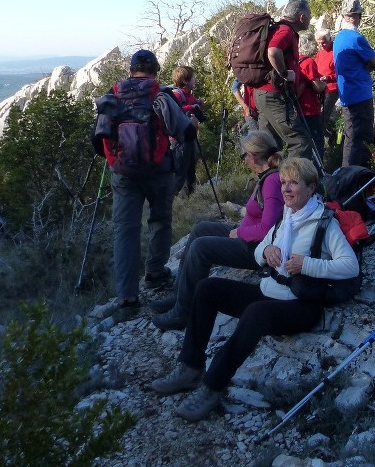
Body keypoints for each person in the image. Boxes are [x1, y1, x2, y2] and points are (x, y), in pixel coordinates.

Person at [150, 157, 358, 423]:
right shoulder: (289, 216)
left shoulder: (324, 223)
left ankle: (212, 386)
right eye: (284, 182)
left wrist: (308, 265)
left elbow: (349, 266)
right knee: (207, 288)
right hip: (272, 290)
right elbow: (262, 247)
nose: (286, 189)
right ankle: (190, 368)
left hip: (302, 304)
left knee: (256, 313)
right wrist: (266, 250)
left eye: (294, 183)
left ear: (311, 187)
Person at [93, 49, 196, 323]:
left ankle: (127, 297)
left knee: (125, 231)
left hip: (123, 174)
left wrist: (116, 159)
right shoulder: (160, 95)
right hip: (159, 170)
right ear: (155, 71)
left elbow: (97, 142)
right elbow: (185, 132)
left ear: (130, 70)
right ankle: (155, 273)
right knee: (160, 219)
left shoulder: (113, 96)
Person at [150, 130, 283, 331]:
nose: (244, 160)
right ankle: (180, 294)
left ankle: (183, 312)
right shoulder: (266, 177)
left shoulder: (272, 182)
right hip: (249, 237)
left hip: (258, 249)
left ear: (254, 155)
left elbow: (268, 228)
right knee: (201, 229)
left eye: (244, 155)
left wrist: (239, 233)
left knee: (201, 247)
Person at [254, 0, 320, 171]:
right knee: (300, 142)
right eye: (310, 14)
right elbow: (273, 51)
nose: (311, 18)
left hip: (263, 94)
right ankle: (293, 188)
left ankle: (269, 189)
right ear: (301, 17)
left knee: (269, 146)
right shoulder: (286, 32)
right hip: (274, 95)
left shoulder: (277, 29)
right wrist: (284, 73)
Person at [333, 0, 375, 167]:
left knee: (351, 138)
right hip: (360, 95)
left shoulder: (338, 38)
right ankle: (358, 178)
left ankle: (347, 175)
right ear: (359, 16)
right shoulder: (356, 38)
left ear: (343, 15)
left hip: (347, 96)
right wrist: (366, 65)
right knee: (362, 141)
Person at [165, 65, 204, 196]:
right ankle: (172, 199)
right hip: (179, 140)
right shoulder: (177, 94)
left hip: (189, 137)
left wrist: (198, 104)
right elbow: (177, 110)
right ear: (186, 81)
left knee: (190, 169)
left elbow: (190, 106)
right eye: (194, 78)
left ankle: (189, 197)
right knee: (180, 170)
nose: (196, 80)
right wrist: (192, 107)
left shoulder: (188, 95)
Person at [297, 32, 326, 163]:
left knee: (302, 142)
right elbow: (317, 87)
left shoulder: (294, 61)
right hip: (309, 108)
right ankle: (317, 172)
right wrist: (324, 84)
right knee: (318, 141)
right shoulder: (308, 62)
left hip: (297, 108)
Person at [314, 28, 338, 141]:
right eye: (318, 42)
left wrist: (328, 78)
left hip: (332, 89)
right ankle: (328, 136)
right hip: (320, 88)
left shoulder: (336, 51)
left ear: (329, 39)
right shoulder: (320, 52)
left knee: (323, 117)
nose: (321, 45)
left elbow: (341, 72)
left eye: (323, 42)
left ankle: (329, 139)